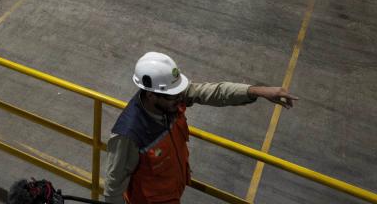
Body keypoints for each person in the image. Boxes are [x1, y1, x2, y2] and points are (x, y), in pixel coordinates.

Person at [103, 52, 298, 204]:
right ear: (151, 95)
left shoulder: (171, 99)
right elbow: (113, 188)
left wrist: (257, 91)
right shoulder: (129, 134)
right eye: (173, 95)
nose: (180, 98)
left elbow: (215, 92)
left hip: (172, 192)